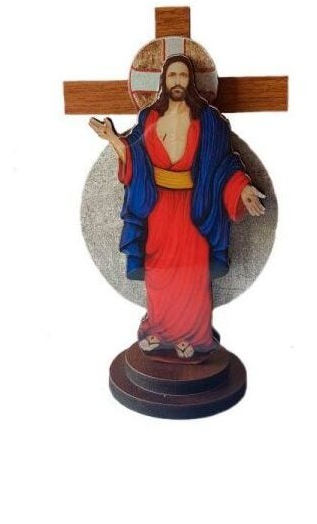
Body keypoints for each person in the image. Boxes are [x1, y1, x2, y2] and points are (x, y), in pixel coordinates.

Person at [89, 55, 265, 360]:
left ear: (191, 81)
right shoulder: (149, 119)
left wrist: (243, 188)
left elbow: (223, 165)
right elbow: (135, 157)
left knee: (192, 275)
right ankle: (159, 330)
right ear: (164, 81)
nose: (178, 81)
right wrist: (112, 139)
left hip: (194, 208)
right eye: (172, 75)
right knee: (159, 273)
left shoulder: (208, 122)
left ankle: (193, 336)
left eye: (183, 75)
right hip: (158, 207)